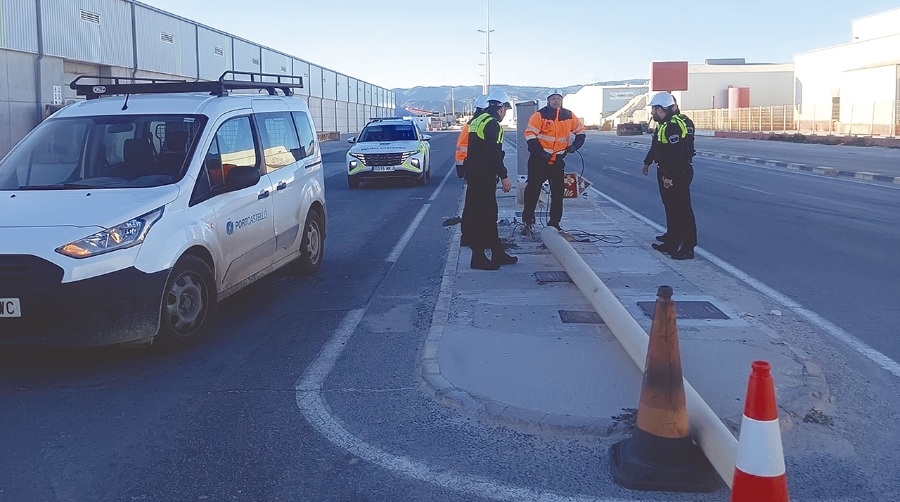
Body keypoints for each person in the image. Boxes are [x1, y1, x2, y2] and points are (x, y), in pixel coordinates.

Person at [462, 89, 517, 270]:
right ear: (501, 108)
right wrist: (504, 176)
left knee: (487, 214)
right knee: (484, 216)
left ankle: (497, 252)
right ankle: (478, 258)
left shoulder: (478, 120)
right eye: (505, 110)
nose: (505, 114)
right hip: (483, 176)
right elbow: (492, 153)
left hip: (474, 174)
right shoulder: (493, 125)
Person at [521, 89, 586, 234]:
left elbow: (581, 132)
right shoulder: (539, 115)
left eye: (558, 98)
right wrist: (540, 152)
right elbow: (529, 134)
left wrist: (574, 146)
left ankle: (554, 223)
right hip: (539, 160)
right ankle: (527, 222)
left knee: (558, 193)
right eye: (553, 98)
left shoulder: (569, 115)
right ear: (548, 101)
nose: (556, 101)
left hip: (557, 161)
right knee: (532, 190)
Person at [642, 92, 696, 260]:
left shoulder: (673, 126)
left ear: (660, 109)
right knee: (672, 209)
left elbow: (677, 155)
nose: (651, 112)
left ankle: (688, 247)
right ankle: (672, 242)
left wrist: (670, 177)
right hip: (667, 171)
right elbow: (657, 147)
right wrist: (647, 162)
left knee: (683, 210)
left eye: (653, 109)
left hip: (678, 173)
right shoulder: (664, 125)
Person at [458, 95, 489, 248]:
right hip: (474, 169)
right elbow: (464, 148)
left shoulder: (473, 123)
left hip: (471, 168)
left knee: (471, 204)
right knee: (476, 205)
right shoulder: (476, 124)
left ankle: (468, 236)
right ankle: (473, 237)